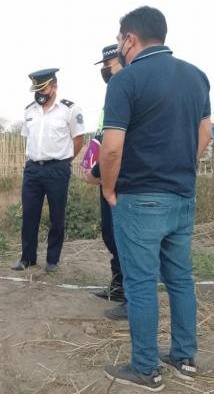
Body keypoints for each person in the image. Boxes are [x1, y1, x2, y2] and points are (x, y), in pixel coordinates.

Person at [100, 6, 211, 391]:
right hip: (182, 196)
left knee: (141, 284)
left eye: (120, 40)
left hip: (140, 199)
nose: (120, 46)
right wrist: (178, 168)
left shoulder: (125, 81)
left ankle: (146, 369)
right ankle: (185, 358)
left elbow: (112, 148)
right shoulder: (197, 76)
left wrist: (108, 188)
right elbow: (204, 136)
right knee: (180, 279)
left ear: (129, 39)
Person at [12, 69, 85, 273]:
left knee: (57, 216)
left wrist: (65, 161)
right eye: (36, 89)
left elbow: (79, 139)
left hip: (57, 169)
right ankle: (27, 258)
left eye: (43, 89)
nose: (39, 93)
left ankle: (52, 260)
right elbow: (29, 138)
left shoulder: (69, 109)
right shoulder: (29, 110)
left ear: (54, 87)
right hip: (33, 169)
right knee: (29, 215)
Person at [82, 44, 127, 321]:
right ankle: (118, 284)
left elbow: (117, 143)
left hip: (120, 177)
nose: (105, 71)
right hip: (107, 174)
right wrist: (92, 163)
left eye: (109, 65)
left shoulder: (128, 89)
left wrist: (97, 170)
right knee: (110, 233)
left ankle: (130, 295)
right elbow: (102, 135)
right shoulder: (113, 93)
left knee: (122, 236)